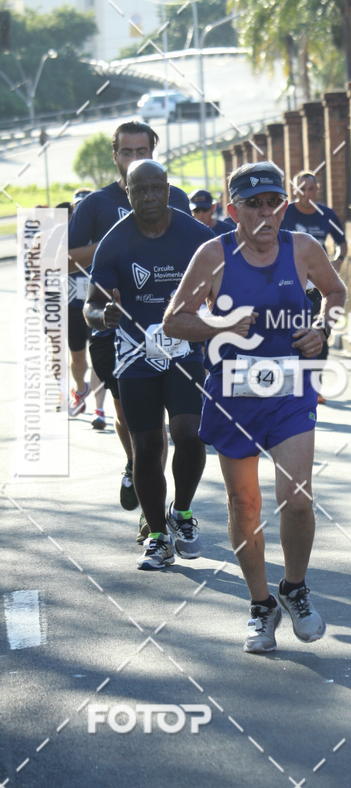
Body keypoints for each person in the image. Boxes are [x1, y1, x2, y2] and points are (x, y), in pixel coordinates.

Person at [163, 161, 346, 652]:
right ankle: (260, 604)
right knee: (245, 504)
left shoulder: (302, 248)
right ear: (233, 210)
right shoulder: (212, 255)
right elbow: (174, 321)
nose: (265, 213)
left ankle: (295, 588)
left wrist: (322, 328)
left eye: (273, 202)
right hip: (234, 395)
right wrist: (219, 329)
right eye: (253, 204)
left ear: (284, 206)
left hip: (290, 389)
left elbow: (335, 291)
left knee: (299, 497)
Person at [84, 160, 213, 571]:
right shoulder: (115, 242)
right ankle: (157, 535)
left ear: (167, 188)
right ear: (128, 193)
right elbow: (90, 304)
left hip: (185, 350)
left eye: (157, 188)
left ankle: (184, 512)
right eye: (141, 190)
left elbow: (224, 285)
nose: (151, 197)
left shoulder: (195, 236)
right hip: (134, 353)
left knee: (189, 435)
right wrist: (102, 316)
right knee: (147, 446)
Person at [69, 120, 192, 512]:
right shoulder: (96, 205)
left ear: (154, 154)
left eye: (143, 151)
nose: (135, 158)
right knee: (136, 420)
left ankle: (155, 505)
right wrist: (118, 242)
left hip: (171, 329)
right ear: (115, 155)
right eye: (127, 152)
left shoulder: (176, 198)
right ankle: (136, 465)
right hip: (111, 327)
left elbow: (197, 253)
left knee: (170, 428)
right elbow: (65, 256)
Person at [282, 171, 347, 402]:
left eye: (311, 189)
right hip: (290, 282)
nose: (306, 194)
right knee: (291, 332)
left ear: (317, 190)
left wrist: (336, 262)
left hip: (318, 283)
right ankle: (291, 382)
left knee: (320, 330)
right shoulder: (285, 213)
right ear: (294, 191)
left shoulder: (325, 214)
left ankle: (314, 385)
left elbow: (341, 243)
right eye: (302, 189)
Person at [60, 193, 107, 428]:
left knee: (99, 358)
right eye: (78, 209)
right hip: (72, 306)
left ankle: (99, 409)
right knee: (78, 358)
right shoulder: (67, 238)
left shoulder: (105, 236)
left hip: (98, 305)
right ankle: (80, 389)